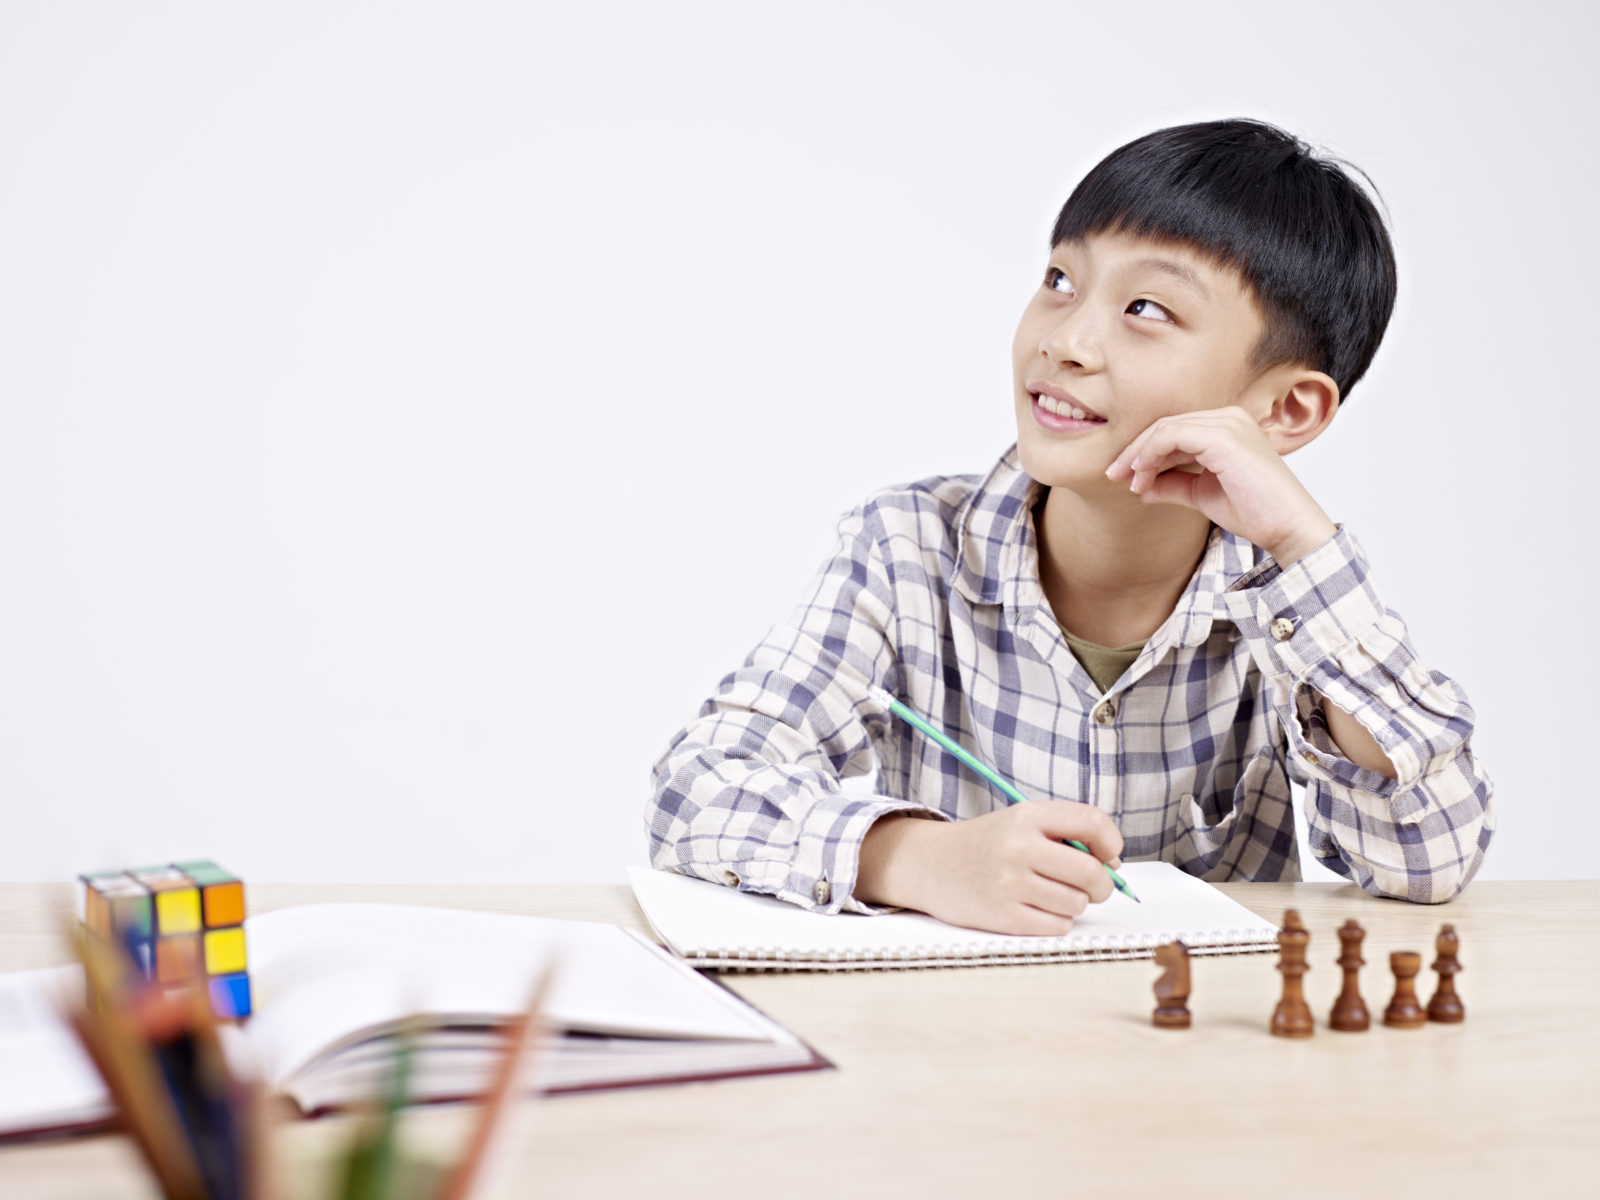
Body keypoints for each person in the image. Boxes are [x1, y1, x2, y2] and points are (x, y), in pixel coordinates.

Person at [644, 117, 1495, 935]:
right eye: (1061, 281)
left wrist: (1303, 548)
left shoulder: (1289, 603)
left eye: (1147, 310)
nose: (1069, 341)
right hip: (959, 1042)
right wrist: (919, 858)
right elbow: (696, 790)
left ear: (1285, 409)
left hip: (1206, 1059)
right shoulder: (907, 546)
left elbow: (1431, 860)